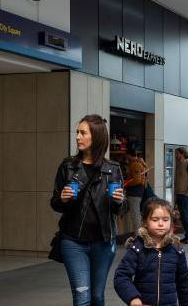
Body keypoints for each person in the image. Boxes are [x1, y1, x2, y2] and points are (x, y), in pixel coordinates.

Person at [51, 114, 127, 306]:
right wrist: (62, 198)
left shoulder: (113, 168)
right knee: (82, 298)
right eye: (77, 132)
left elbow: (121, 209)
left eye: (83, 133)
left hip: (103, 242)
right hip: (73, 242)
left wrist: (119, 201)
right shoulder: (68, 166)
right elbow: (55, 203)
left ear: (97, 137)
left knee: (97, 297)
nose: (77, 137)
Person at [114, 198, 188, 306]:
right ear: (145, 222)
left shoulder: (177, 251)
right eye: (155, 220)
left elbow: (184, 286)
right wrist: (133, 298)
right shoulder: (137, 248)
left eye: (165, 220)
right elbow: (121, 276)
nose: (161, 224)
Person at [174, 147, 188, 244]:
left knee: (187, 216)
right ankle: (187, 235)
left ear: (182, 153)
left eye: (177, 153)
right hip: (179, 194)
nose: (176, 155)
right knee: (182, 217)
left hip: (187, 195)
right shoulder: (179, 165)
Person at [123, 150, 147, 238]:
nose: (125, 157)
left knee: (135, 214)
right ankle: (139, 234)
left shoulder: (135, 164)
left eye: (126, 155)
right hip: (137, 192)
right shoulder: (137, 163)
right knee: (136, 213)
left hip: (135, 192)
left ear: (129, 155)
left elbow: (137, 180)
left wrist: (126, 183)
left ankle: (138, 235)